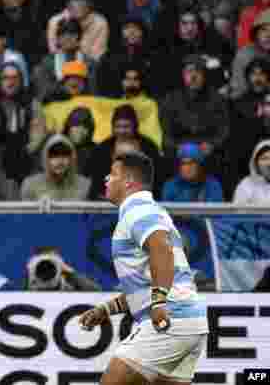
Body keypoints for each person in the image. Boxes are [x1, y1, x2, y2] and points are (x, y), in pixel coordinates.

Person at [80, 151, 208, 385]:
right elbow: (148, 283)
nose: (106, 178)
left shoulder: (137, 210)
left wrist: (159, 302)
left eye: (113, 174)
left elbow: (162, 250)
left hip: (169, 320)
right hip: (190, 322)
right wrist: (106, 309)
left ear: (128, 181)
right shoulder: (151, 211)